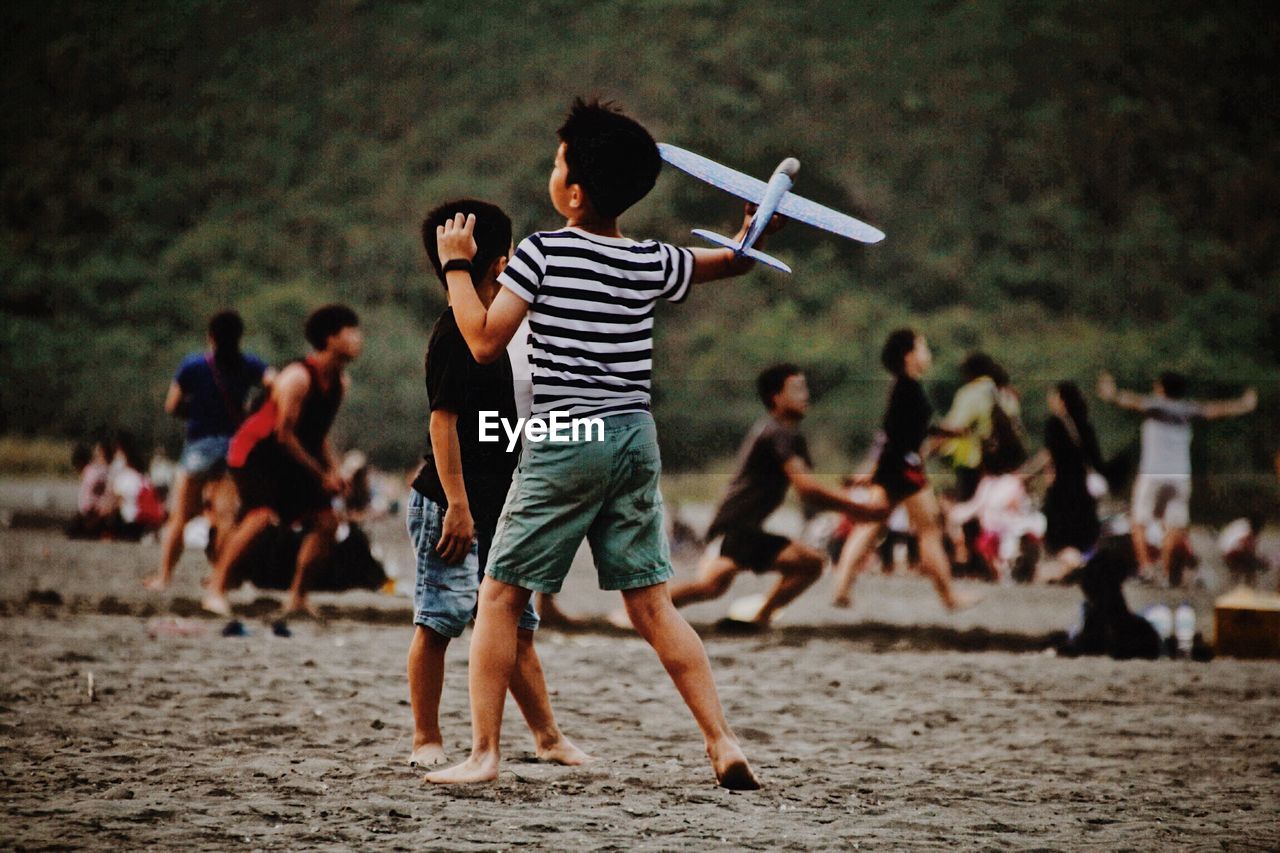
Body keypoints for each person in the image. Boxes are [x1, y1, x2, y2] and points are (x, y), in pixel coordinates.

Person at [425, 98, 776, 790]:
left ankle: (485, 753)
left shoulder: (542, 252)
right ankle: (723, 740)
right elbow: (730, 266)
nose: (552, 171)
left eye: (558, 163)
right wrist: (752, 233)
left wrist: (457, 267)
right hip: (634, 436)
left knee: (498, 595)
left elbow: (484, 339)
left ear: (574, 191)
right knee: (652, 603)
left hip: (567, 432)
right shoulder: (649, 258)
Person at [405, 198, 586, 770]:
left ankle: (548, 738)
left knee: (518, 627)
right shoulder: (454, 334)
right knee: (437, 620)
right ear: (502, 260)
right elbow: (443, 421)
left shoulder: (503, 329)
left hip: (500, 503)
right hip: (448, 501)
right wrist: (457, 505)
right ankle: (425, 739)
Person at [655, 364, 884, 626]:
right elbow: (808, 490)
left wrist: (853, 489)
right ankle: (760, 618)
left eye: (805, 388)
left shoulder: (781, 434)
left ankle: (644, 611)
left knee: (711, 587)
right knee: (810, 564)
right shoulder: (778, 433)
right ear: (776, 397)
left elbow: (811, 488)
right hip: (735, 529)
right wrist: (860, 509)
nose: (805, 394)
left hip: (736, 528)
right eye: (797, 389)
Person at [201, 304, 363, 617]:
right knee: (260, 517)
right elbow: (283, 435)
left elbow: (317, 435)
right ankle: (216, 588)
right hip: (255, 453)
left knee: (328, 523)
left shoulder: (341, 383)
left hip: (291, 456)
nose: (359, 339)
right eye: (351, 332)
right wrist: (321, 475)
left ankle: (298, 597)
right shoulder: (297, 378)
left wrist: (334, 470)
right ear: (330, 339)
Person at [830, 328, 981, 611]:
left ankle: (840, 589)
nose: (928, 354)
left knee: (871, 526)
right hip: (903, 468)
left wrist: (949, 432)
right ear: (908, 355)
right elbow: (893, 432)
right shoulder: (907, 387)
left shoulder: (905, 386)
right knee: (928, 530)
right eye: (923, 348)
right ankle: (949, 597)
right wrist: (880, 466)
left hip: (895, 466)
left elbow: (913, 428)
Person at [145, 310, 272, 590]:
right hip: (232, 448)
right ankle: (220, 577)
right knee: (226, 517)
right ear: (240, 336)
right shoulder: (250, 364)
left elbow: (172, 405)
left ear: (210, 336)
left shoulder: (193, 365)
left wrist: (196, 412)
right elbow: (274, 384)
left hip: (199, 448)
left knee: (181, 516)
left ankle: (164, 577)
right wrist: (251, 413)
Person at [1097, 370, 1256, 586]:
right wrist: (1243, 404)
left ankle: (1147, 569)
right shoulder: (1188, 409)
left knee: (1139, 522)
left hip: (1152, 473)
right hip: (1179, 474)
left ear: (1161, 388)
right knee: (1174, 525)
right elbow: (1214, 410)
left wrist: (1112, 393)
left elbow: (1131, 401)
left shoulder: (1155, 406)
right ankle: (1165, 571)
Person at [1023, 382, 1105, 568]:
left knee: (1061, 538)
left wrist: (1025, 474)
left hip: (1062, 491)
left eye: (1053, 396)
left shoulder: (1055, 424)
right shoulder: (1085, 425)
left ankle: (1074, 568)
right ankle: (1075, 567)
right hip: (1082, 491)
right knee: (1077, 538)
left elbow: (1048, 455)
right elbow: (1095, 460)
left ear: (1061, 400)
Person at [68, 439, 112, 539]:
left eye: (97, 453)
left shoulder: (98, 471)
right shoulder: (96, 470)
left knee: (75, 530)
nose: (95, 456)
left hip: (93, 512)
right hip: (91, 511)